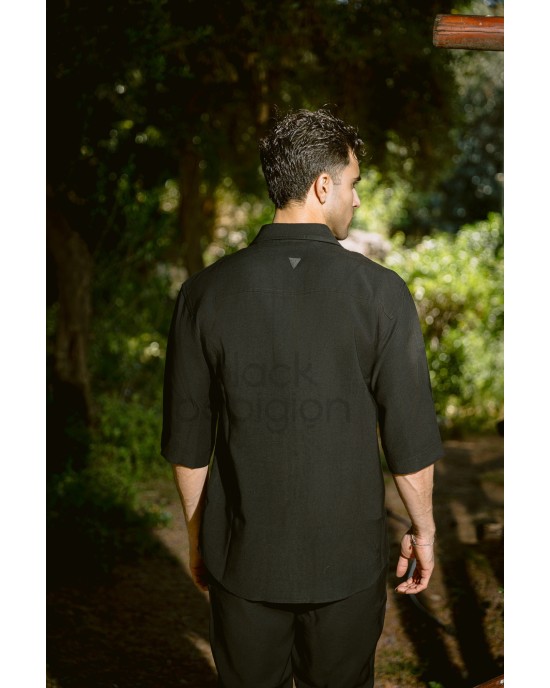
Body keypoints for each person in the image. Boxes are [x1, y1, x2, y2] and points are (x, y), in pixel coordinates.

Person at [161, 108, 443, 688]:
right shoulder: (382, 294)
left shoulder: (202, 293)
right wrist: (424, 530)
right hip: (346, 564)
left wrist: (199, 541)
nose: (356, 199)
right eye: (353, 184)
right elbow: (408, 438)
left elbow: (188, 442)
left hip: (242, 560)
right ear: (322, 186)